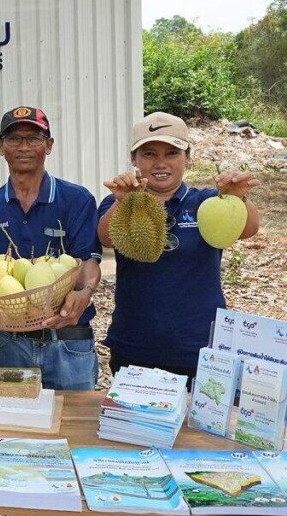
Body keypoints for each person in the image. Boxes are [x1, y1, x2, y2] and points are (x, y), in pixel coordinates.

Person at [99, 112, 261, 382]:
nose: (160, 163)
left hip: (199, 347)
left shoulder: (206, 202)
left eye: (172, 153)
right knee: (135, 423)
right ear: (134, 159)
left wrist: (237, 197)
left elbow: (249, 229)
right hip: (135, 345)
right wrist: (124, 201)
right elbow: (106, 237)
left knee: (194, 424)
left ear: (187, 157)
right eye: (149, 153)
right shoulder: (122, 202)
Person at [0, 106, 102, 391]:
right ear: (0, 147)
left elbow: (88, 263)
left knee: (74, 428)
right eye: (14, 139)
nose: (23, 146)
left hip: (68, 339)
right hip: (11, 342)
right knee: (18, 429)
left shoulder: (76, 199)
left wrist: (84, 293)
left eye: (34, 138)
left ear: (49, 145)